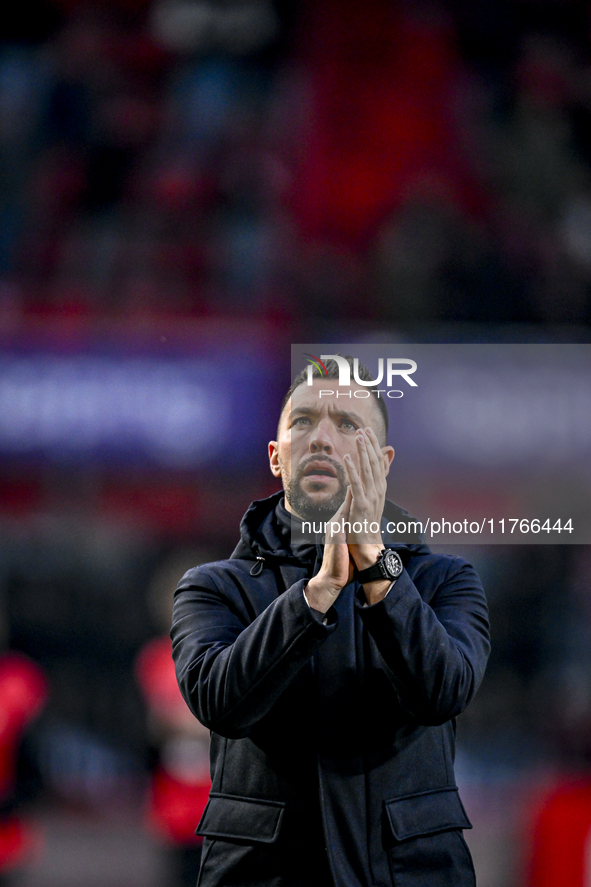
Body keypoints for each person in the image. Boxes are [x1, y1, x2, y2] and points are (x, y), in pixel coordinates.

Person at [171, 356, 490, 887]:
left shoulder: (446, 581)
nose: (321, 438)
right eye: (303, 421)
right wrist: (314, 596)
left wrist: (376, 565)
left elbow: (442, 691)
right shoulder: (211, 586)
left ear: (382, 461)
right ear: (276, 456)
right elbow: (219, 703)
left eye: (347, 425)